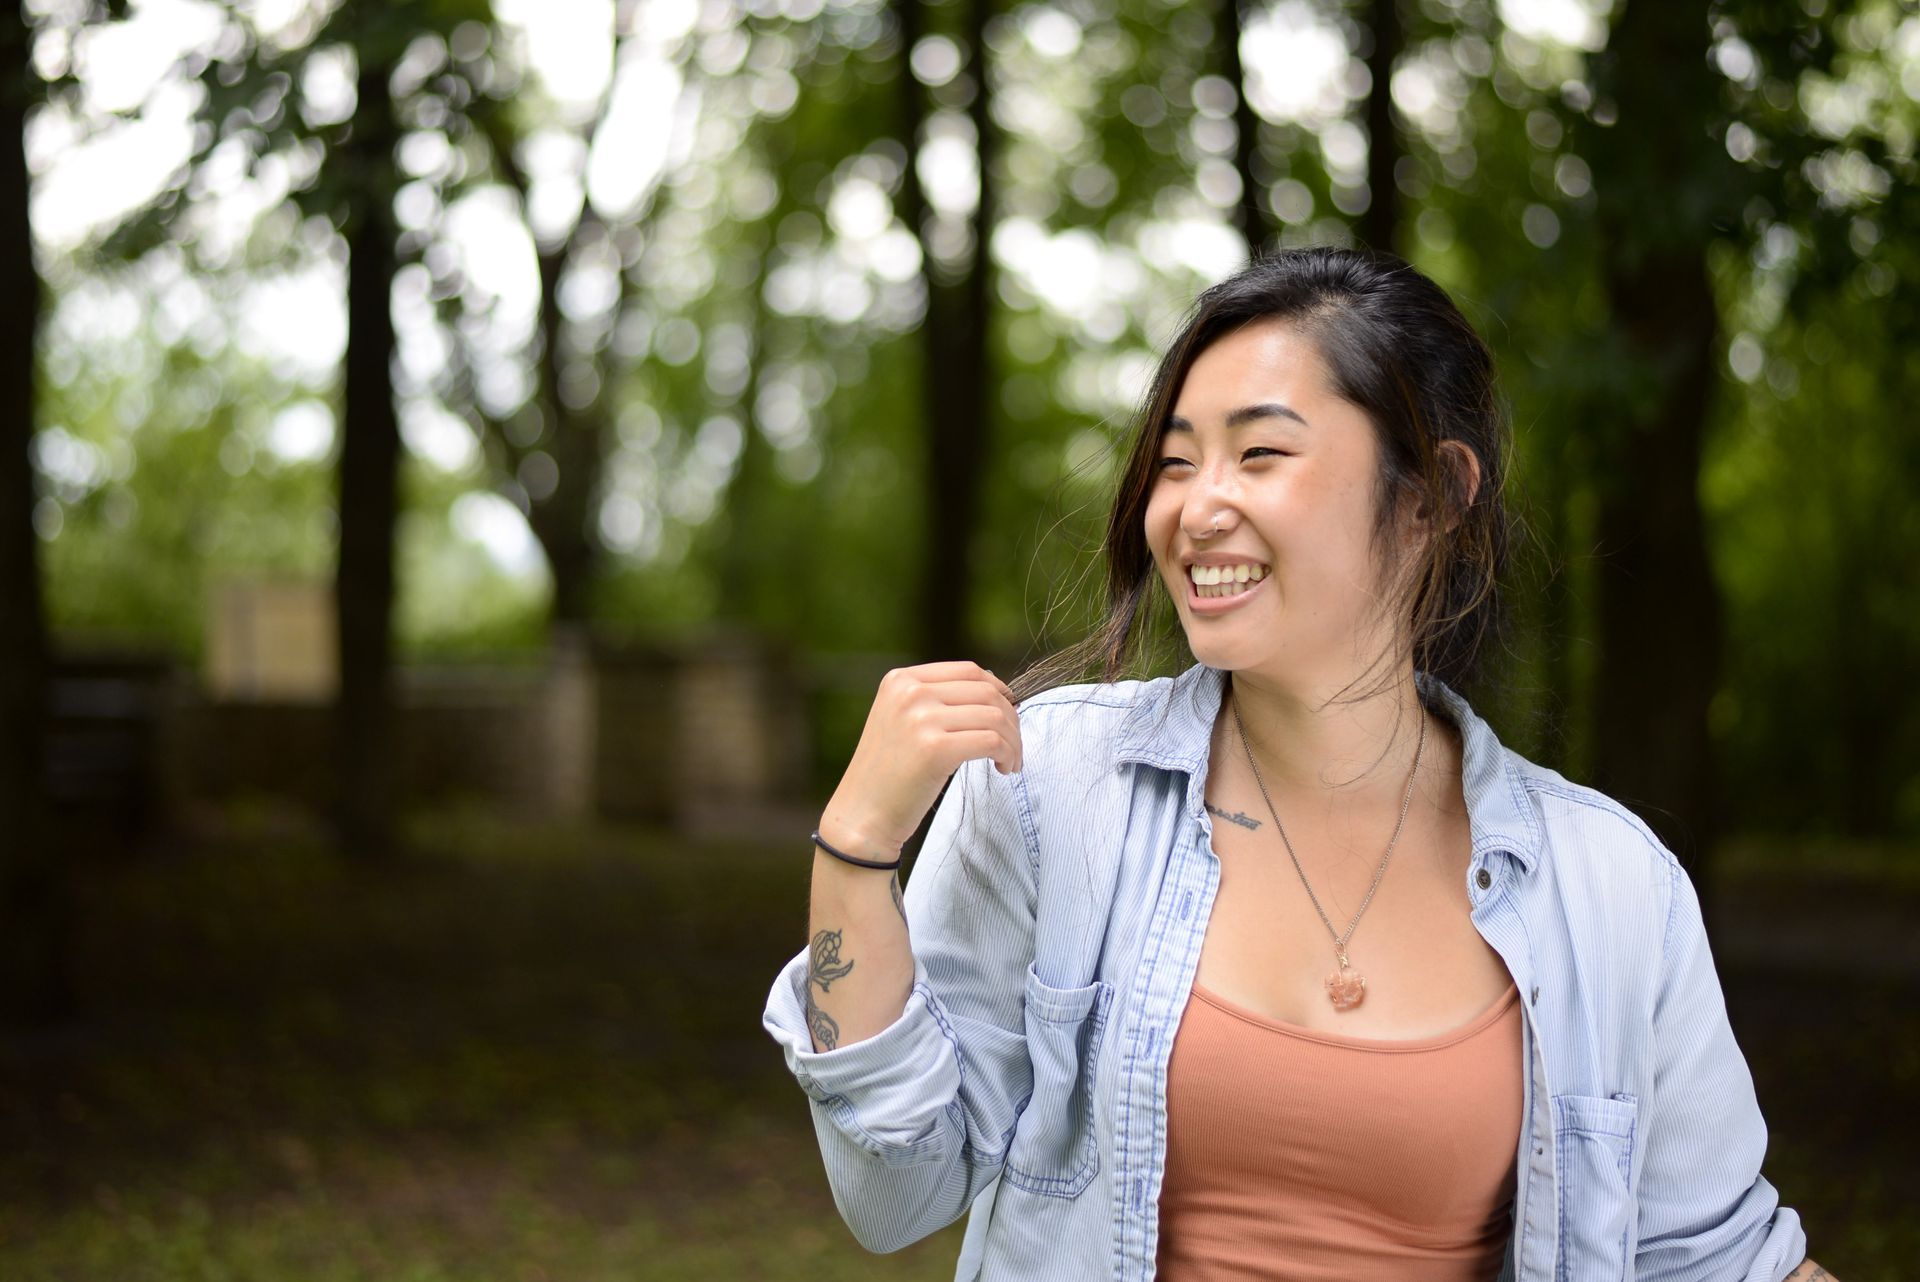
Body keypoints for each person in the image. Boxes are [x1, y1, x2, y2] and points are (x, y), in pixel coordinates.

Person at [761, 246, 1836, 1282]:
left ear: (1431, 498)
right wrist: (854, 850)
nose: (1195, 505)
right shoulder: (1050, 784)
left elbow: (1718, 1260)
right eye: (1175, 461)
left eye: (1259, 453)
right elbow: (895, 1192)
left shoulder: (1614, 885)